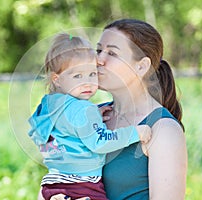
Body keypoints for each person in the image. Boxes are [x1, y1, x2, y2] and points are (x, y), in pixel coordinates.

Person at [49, 19, 187, 200]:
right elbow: (55, 181)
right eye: (99, 50)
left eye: (112, 53)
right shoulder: (90, 116)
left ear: (142, 66)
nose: (98, 60)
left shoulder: (163, 130)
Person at [28, 33, 152, 200]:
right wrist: (136, 133)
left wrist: (87, 120)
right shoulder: (83, 110)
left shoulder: (47, 105)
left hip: (54, 181)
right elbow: (100, 142)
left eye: (92, 74)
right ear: (57, 79)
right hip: (83, 186)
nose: (87, 82)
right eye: (77, 76)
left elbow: (42, 136)